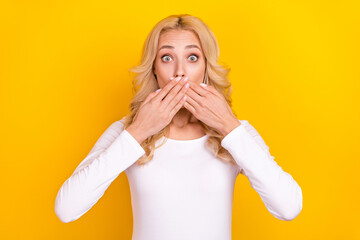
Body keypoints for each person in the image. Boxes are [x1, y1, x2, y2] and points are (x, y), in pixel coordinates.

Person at [55, 14, 303, 239]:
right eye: (167, 58)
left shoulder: (236, 131)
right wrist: (138, 131)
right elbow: (66, 209)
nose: (180, 72)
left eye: (192, 58)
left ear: (206, 67)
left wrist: (229, 127)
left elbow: (289, 207)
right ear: (154, 68)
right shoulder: (128, 130)